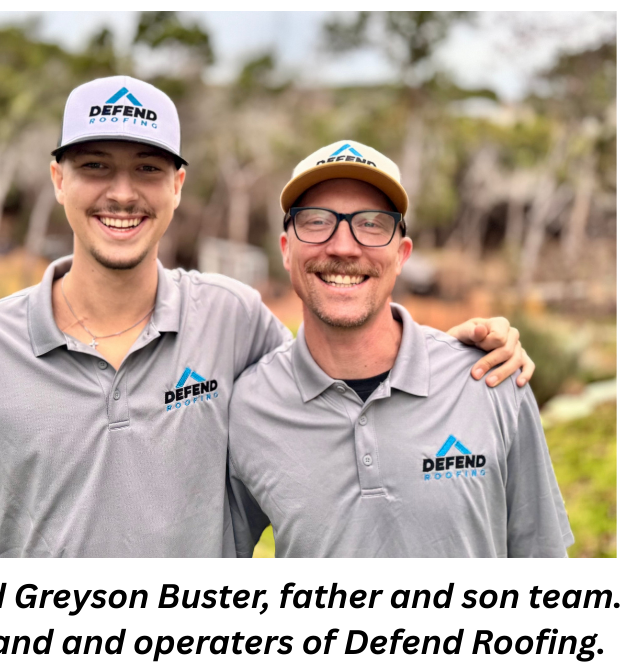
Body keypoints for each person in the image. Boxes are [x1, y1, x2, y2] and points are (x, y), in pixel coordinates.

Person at [0, 78, 533, 557]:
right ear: (58, 179)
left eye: (147, 168)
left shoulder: (232, 320)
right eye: (94, 167)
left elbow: (338, 379)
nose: (121, 192)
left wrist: (454, 357)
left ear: (177, 185)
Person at [227, 140, 572, 558]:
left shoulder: (492, 380)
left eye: (372, 224)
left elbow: (541, 548)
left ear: (401, 254)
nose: (343, 247)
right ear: (286, 250)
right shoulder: (247, 408)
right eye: (316, 221)